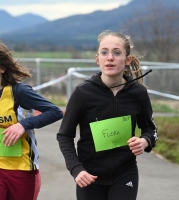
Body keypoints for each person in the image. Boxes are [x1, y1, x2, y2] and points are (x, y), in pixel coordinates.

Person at [56, 30, 158, 200]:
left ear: (127, 60)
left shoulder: (138, 93)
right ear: (98, 59)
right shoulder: (83, 93)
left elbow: (151, 129)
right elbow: (64, 136)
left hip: (125, 173)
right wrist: (76, 169)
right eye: (104, 52)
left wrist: (145, 141)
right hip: (90, 176)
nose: (110, 57)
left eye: (117, 53)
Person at [0, 38, 64, 200]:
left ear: (3, 68)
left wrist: (23, 125)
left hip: (23, 170)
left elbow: (55, 111)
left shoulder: (19, 92)